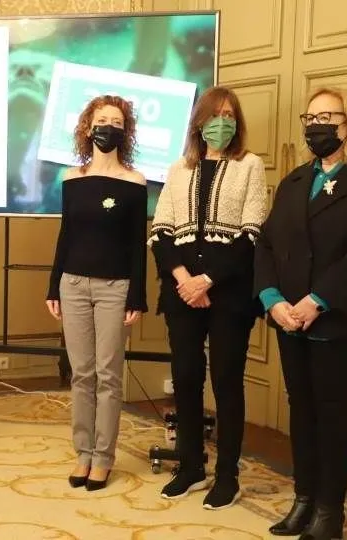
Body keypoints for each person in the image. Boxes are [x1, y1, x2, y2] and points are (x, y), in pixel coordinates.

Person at [254, 87, 347, 540]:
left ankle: (329, 512)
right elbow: (268, 243)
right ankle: (303, 499)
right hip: (289, 318)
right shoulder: (296, 179)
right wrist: (272, 299)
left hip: (339, 318)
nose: (316, 125)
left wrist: (319, 300)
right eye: (310, 117)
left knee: (332, 411)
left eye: (327, 116)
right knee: (301, 409)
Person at [148, 86, 267, 508]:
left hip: (230, 294)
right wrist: (184, 279)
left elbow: (252, 233)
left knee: (227, 382)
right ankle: (190, 466)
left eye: (230, 115)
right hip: (181, 292)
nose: (223, 122)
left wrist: (207, 280)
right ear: (199, 122)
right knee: (185, 377)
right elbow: (160, 233)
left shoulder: (250, 166)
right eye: (215, 114)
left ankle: (227, 475)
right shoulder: (178, 168)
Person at [45, 95, 148, 491]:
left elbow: (137, 244)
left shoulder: (134, 181)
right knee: (81, 374)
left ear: (126, 131)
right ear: (88, 128)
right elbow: (65, 234)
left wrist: (136, 295)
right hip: (72, 284)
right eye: (102, 120)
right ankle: (83, 454)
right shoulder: (73, 178)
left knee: (108, 376)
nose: (109, 126)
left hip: (114, 288)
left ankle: (104, 458)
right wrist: (53, 284)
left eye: (117, 121)